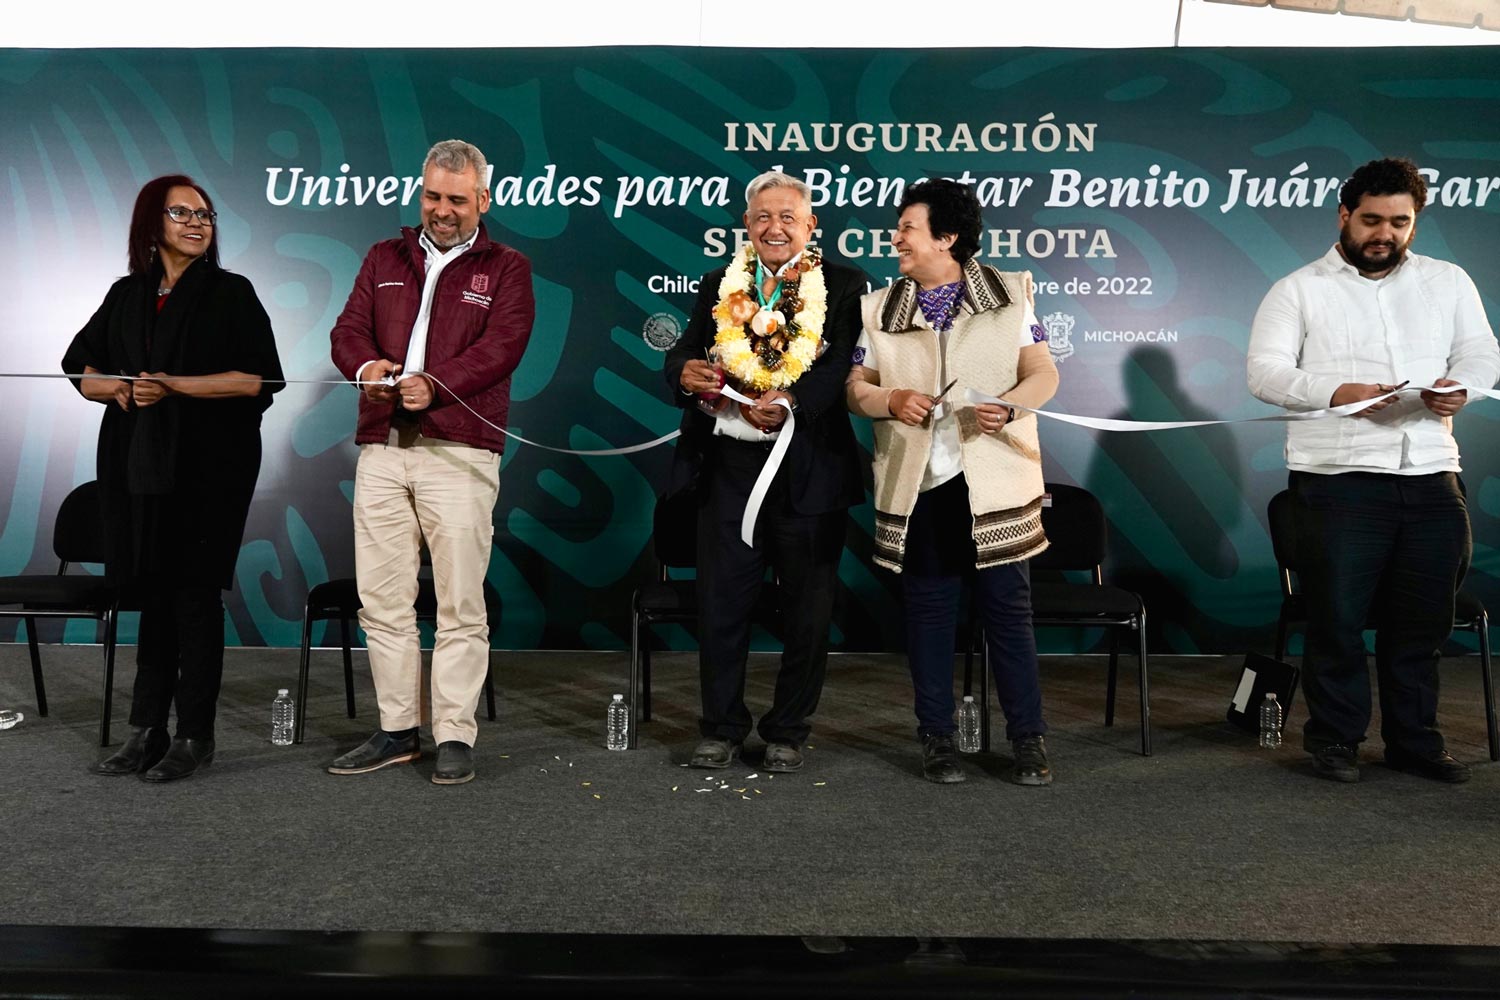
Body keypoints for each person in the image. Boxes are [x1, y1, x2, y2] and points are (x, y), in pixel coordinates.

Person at [1248, 157, 1500, 784]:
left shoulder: (1447, 281)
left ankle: (1415, 743)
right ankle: (1335, 741)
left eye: (1399, 222)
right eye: (1371, 220)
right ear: (1344, 215)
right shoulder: (1298, 289)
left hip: (1432, 475)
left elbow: (1481, 352)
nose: (1384, 233)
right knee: (1336, 620)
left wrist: (1462, 387)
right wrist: (1338, 392)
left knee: (1422, 622)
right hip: (1337, 480)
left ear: (1414, 222)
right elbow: (1265, 373)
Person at [63, 174, 285, 782]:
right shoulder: (126, 293)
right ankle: (145, 731)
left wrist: (172, 386)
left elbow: (259, 379)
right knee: (154, 594)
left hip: (211, 466)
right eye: (182, 212)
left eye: (205, 214)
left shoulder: (231, 292)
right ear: (151, 223)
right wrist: (117, 389)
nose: (197, 223)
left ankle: (194, 736)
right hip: (136, 462)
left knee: (193, 596)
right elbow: (80, 367)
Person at [327, 139, 534, 785]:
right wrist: (368, 368)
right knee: (382, 601)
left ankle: (453, 735)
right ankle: (397, 730)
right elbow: (348, 330)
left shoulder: (508, 267)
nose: (442, 210)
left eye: (457, 199)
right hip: (383, 447)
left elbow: (503, 347)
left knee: (459, 604)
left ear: (483, 199)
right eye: (433, 196)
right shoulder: (383, 256)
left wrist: (435, 385)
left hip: (461, 450)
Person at [845, 179, 1058, 786]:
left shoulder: (1009, 297)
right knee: (930, 616)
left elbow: (1043, 373)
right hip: (921, 486)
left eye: (907, 228)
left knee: (1008, 616)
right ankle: (936, 738)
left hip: (996, 482)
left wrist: (1011, 406)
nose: (896, 239)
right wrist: (891, 400)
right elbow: (855, 390)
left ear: (947, 237)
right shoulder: (878, 309)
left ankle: (1028, 740)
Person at [664, 170, 864, 771]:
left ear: (811, 226)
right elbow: (687, 349)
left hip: (809, 471)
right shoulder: (718, 283)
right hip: (728, 469)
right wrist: (682, 373)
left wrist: (791, 401)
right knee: (721, 605)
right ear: (746, 225)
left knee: (808, 612)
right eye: (762, 217)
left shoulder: (846, 284)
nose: (774, 228)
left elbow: (842, 366)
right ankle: (721, 728)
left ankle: (788, 731)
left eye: (787, 217)